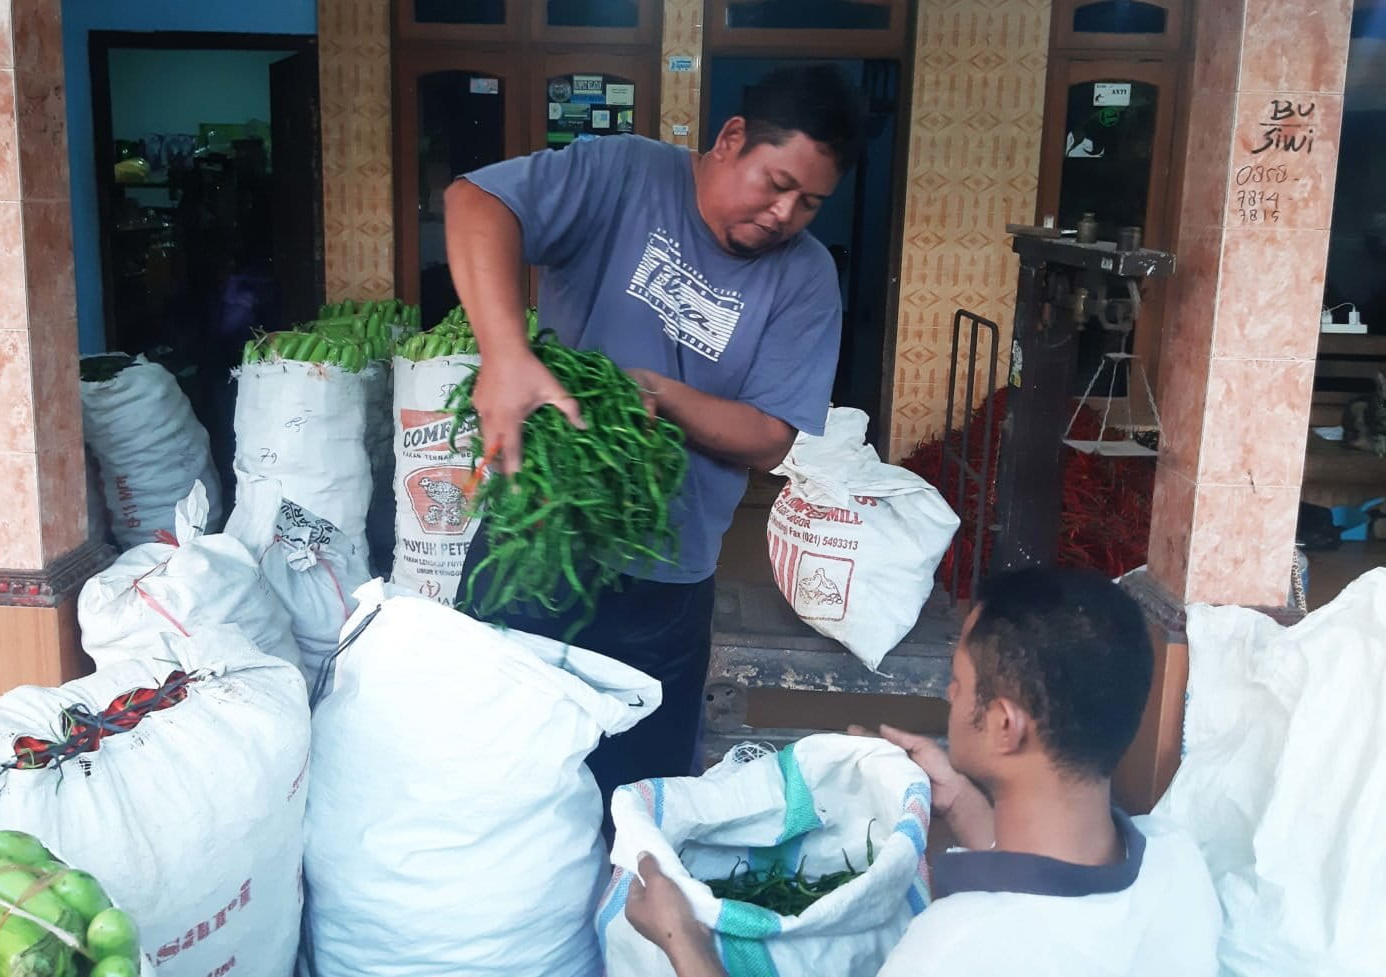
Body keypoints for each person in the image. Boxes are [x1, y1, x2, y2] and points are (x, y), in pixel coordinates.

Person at [443, 65, 866, 810]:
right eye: (775, 183)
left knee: (636, 800)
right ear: (730, 140)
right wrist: (506, 351)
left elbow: (769, 436)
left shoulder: (805, 278)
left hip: (666, 577)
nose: (785, 214)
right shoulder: (626, 174)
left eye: (810, 203)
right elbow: (475, 200)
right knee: (489, 772)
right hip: (533, 532)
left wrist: (656, 391)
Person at [625, 567, 1222, 977]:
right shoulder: (1180, 862)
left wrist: (686, 944)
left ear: (1006, 726)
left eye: (959, 683)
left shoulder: (955, 949)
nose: (947, 693)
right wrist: (962, 801)